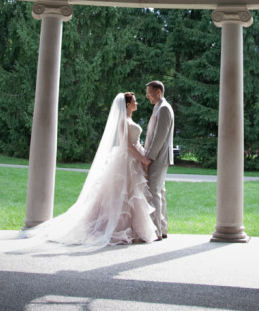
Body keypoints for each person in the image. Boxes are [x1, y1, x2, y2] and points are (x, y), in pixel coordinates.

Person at [24, 92, 159, 246]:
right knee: (121, 194)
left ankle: (131, 227)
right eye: (135, 101)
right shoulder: (123, 121)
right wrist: (141, 158)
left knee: (131, 194)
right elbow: (126, 144)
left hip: (132, 160)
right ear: (127, 104)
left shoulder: (129, 119)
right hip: (125, 160)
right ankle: (115, 228)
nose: (137, 103)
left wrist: (142, 156)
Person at [143, 80, 174, 239]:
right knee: (159, 191)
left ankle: (156, 231)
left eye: (149, 93)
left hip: (159, 157)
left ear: (158, 92)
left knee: (154, 191)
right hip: (157, 156)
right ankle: (162, 229)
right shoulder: (158, 108)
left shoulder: (164, 109)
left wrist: (148, 157)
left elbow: (159, 137)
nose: (148, 97)